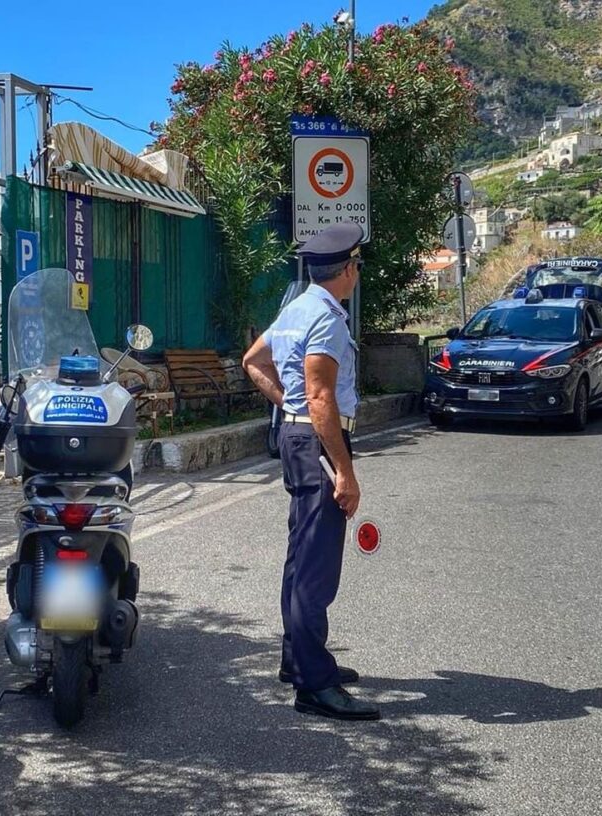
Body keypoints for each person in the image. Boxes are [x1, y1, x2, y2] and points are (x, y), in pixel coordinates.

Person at [242, 223, 380, 722]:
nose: (358, 270)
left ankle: (297, 659)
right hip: (318, 440)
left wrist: (289, 406)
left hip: (299, 436)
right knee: (316, 566)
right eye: (357, 264)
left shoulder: (296, 307)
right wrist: (345, 471)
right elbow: (321, 396)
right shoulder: (326, 318)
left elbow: (252, 360)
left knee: (301, 555)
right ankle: (313, 685)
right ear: (348, 269)